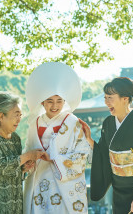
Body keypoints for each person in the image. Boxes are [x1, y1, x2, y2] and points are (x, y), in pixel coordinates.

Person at [80, 77, 133, 214]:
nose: (106, 102)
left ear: (125, 99)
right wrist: (89, 139)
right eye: (105, 97)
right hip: (119, 191)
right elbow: (103, 154)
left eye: (110, 97)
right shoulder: (108, 123)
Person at [23, 62, 91, 214]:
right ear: (42, 102)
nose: (55, 106)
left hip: (63, 184)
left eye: (59, 101)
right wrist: (27, 161)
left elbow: (81, 155)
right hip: (38, 179)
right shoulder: (34, 123)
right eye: (50, 101)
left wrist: (54, 158)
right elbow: (28, 148)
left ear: (65, 101)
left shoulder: (73, 122)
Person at [0, 91, 48, 214]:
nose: (19, 119)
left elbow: (13, 169)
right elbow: (2, 166)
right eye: (15, 115)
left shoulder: (15, 139)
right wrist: (28, 155)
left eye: (20, 115)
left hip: (13, 205)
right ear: (1, 116)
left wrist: (23, 169)